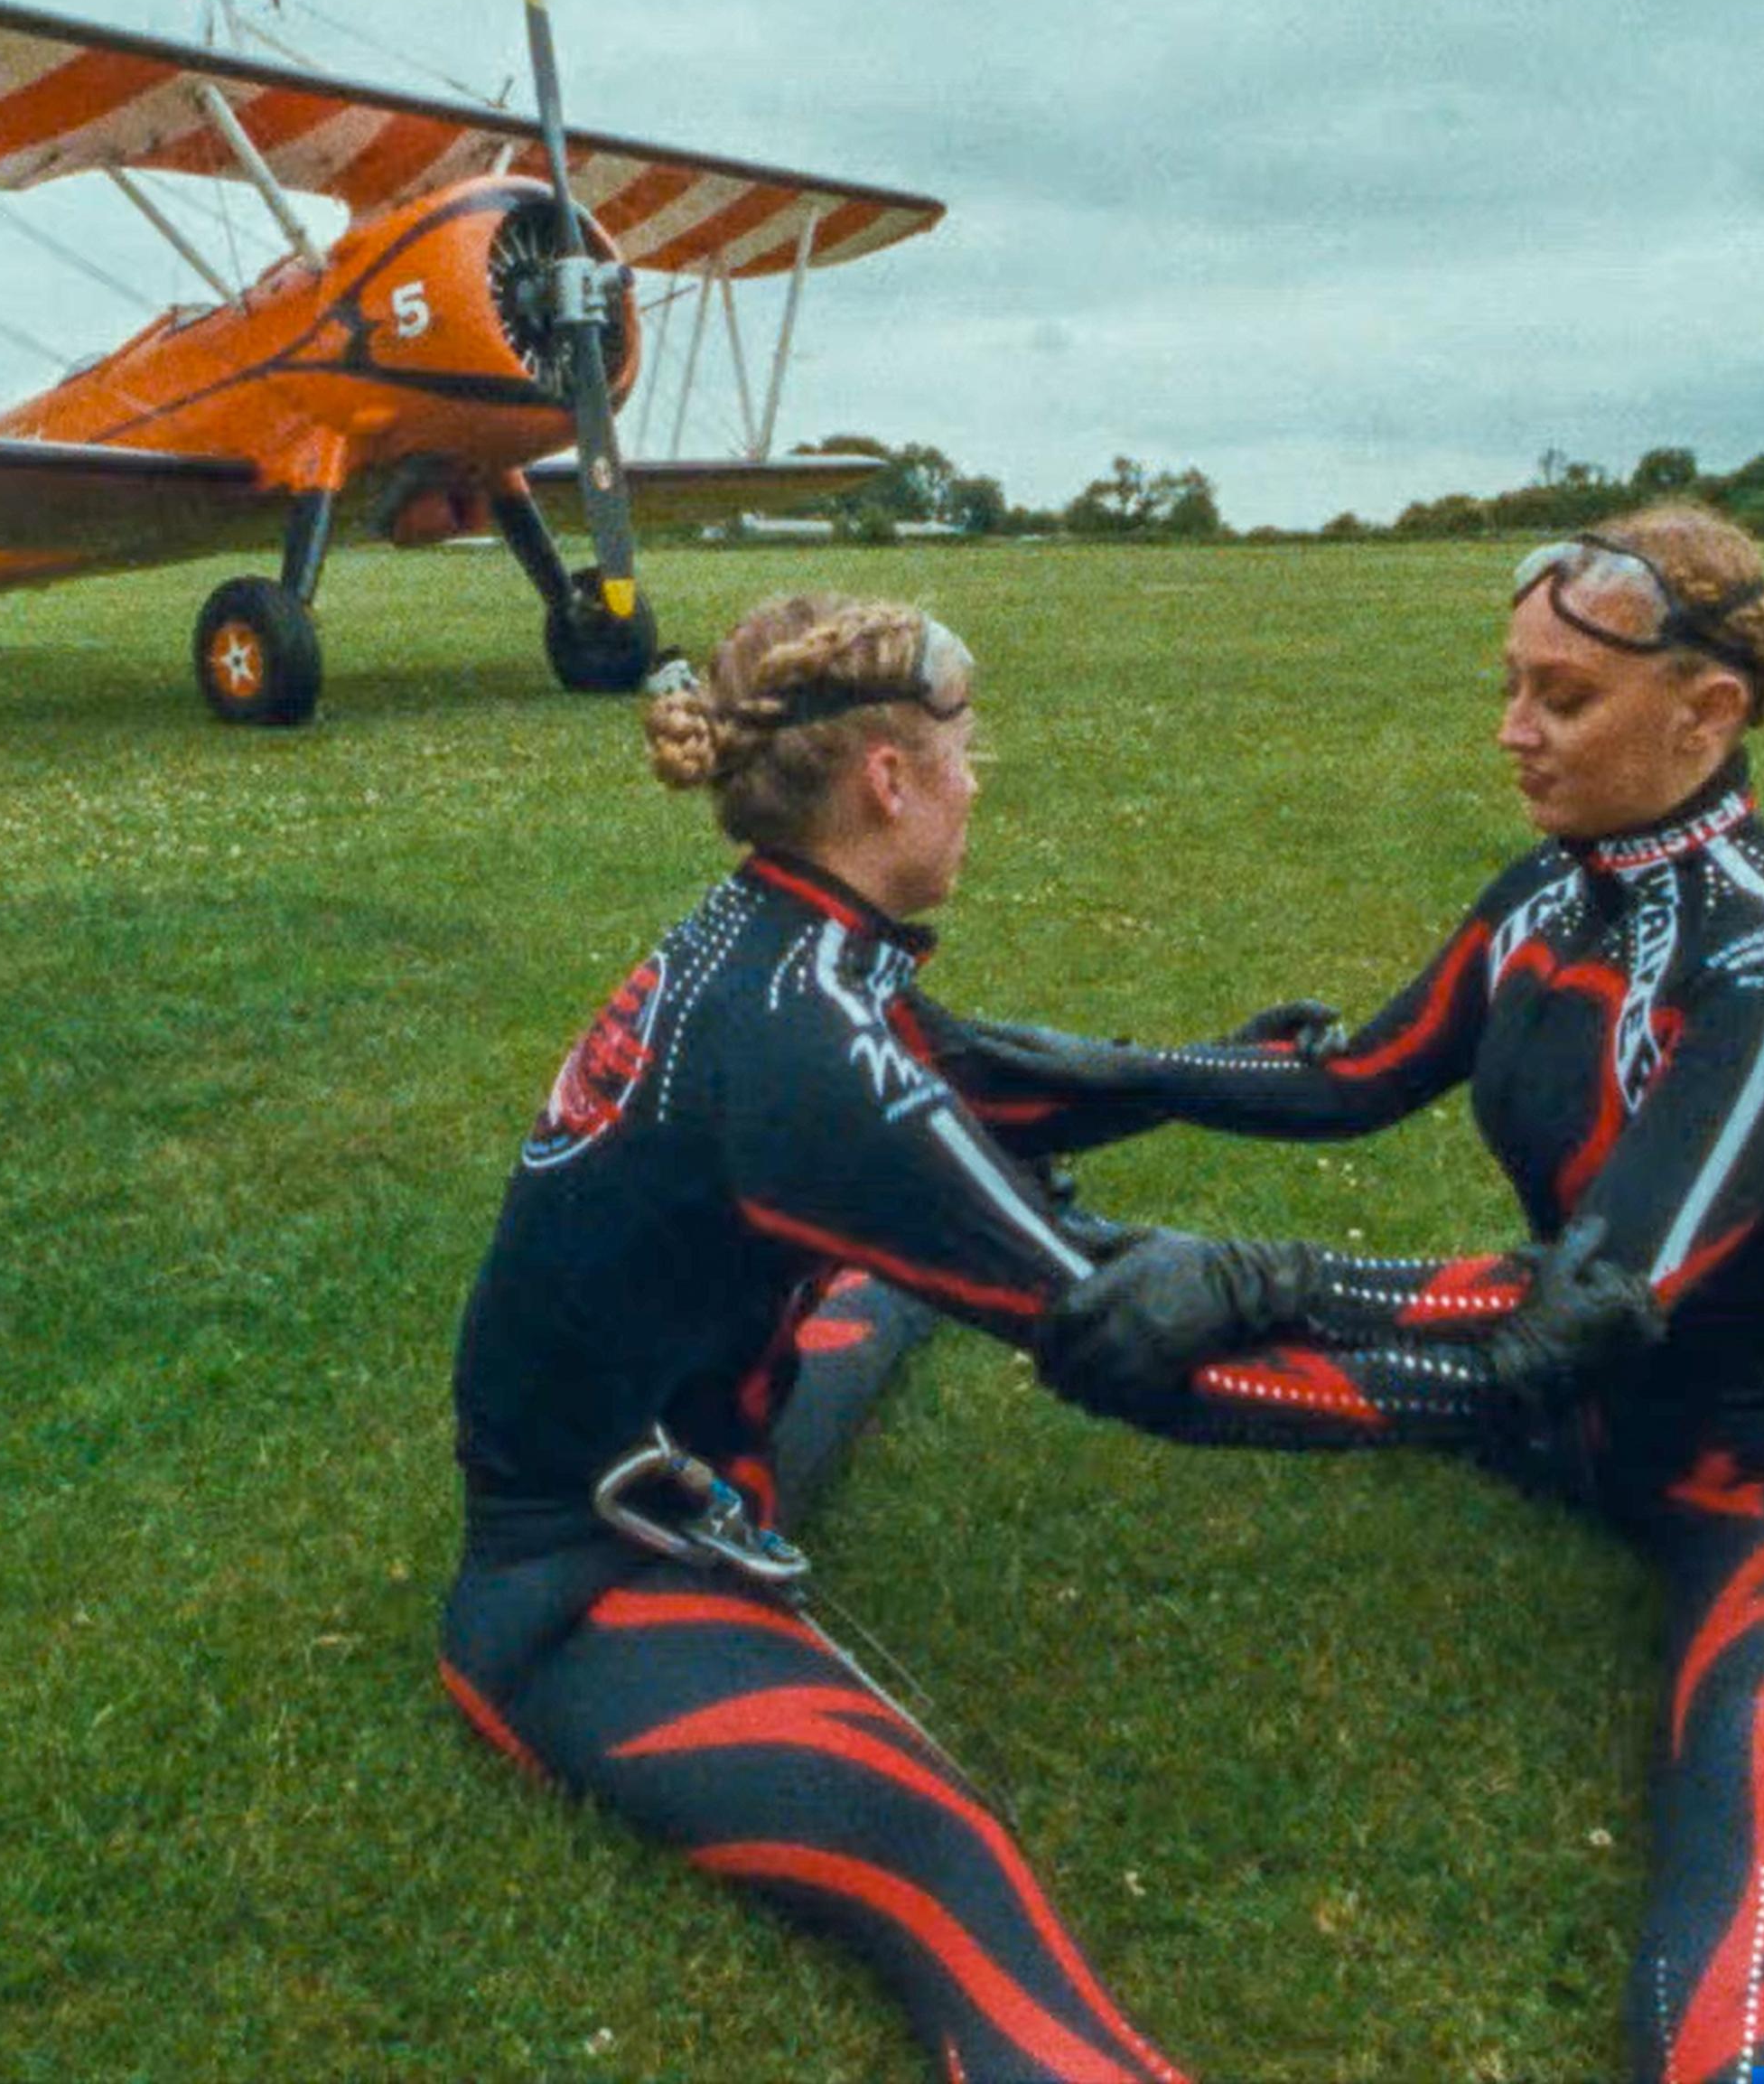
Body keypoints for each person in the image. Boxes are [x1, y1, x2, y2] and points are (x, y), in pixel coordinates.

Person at [440, 593, 1663, 2081]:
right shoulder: (803, 1045)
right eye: (966, 749)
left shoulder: (773, 941)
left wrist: (1213, 1071)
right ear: (889, 777)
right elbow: (1131, 1349)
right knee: (942, 1863)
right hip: (584, 1584)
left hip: (676, 1447)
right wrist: (1487, 1376)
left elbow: (972, 1075)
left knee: (925, 1263)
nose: (981, 776)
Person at [949, 507, 1764, 2084]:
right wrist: (1098, 1074)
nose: (1514, 732)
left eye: (1563, 701)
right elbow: (1356, 1076)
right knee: (1127, 1313)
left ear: (1708, 710)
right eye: (1512, 685)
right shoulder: (1547, 892)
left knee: (1753, 1787)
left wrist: (1270, 1278)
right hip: (1587, 1422)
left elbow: (1593, 1298)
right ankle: (895, 1283)